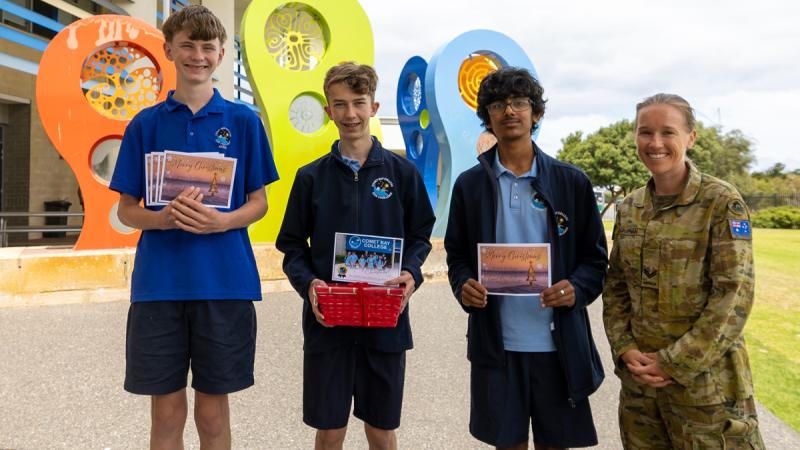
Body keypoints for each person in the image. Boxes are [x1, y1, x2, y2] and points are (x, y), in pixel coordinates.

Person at [109, 5, 278, 449]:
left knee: (212, 415)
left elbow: (258, 203)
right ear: (168, 50)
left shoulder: (243, 122)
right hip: (159, 287)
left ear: (221, 54)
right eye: (187, 45)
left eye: (207, 47)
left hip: (223, 285)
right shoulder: (144, 125)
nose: (197, 55)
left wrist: (223, 221)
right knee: (165, 415)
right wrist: (162, 218)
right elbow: (127, 210)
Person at [444, 67, 608, 450]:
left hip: (558, 346)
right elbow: (457, 257)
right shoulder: (469, 186)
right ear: (488, 117)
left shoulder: (571, 182)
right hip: (497, 345)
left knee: (556, 443)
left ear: (536, 114)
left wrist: (576, 289)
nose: (509, 112)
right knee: (508, 444)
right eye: (498, 105)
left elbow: (595, 261)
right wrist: (463, 285)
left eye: (520, 103)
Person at [275, 62, 435, 450]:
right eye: (340, 104)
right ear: (328, 111)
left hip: (386, 323)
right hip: (327, 324)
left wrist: (411, 273)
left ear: (374, 107)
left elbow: (420, 236)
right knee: (329, 430)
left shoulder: (403, 174)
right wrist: (309, 284)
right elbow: (292, 246)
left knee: (381, 430)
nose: (350, 114)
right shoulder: (310, 177)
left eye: (359, 103)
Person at [602, 93, 764, 449]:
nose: (655, 143)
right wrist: (625, 347)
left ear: (690, 137)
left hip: (705, 391)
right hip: (641, 389)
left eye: (668, 132)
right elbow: (615, 287)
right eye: (645, 132)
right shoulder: (630, 208)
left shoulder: (720, 203)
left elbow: (733, 297)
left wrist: (672, 362)